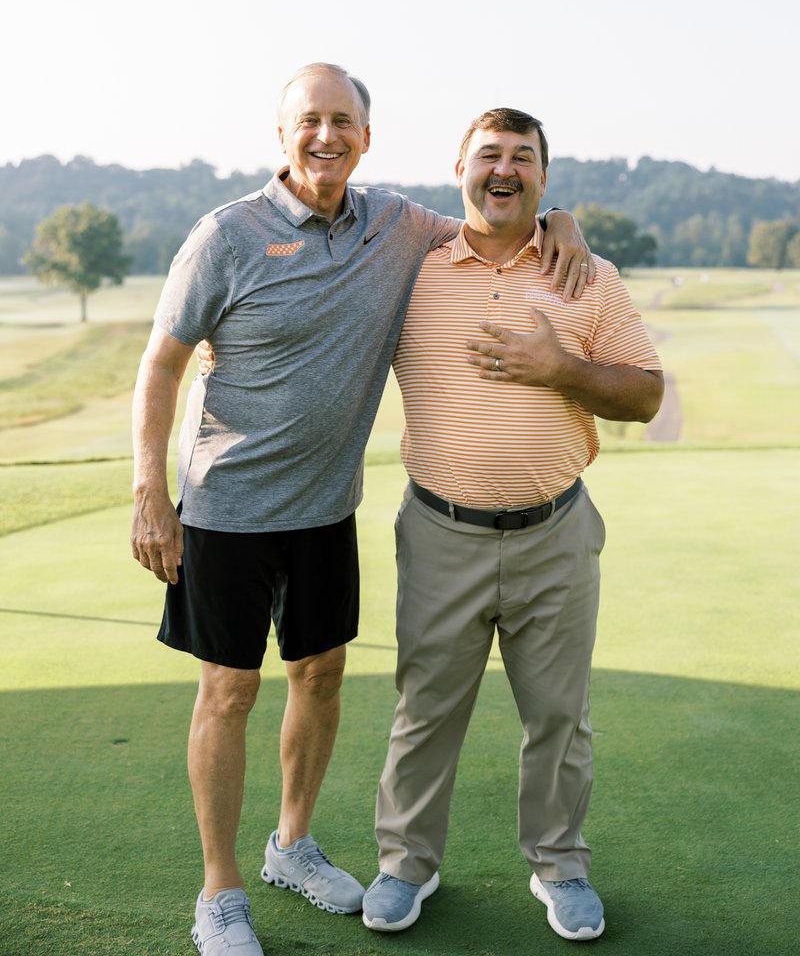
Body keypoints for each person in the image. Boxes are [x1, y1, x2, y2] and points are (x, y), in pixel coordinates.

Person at [130, 64, 593, 956]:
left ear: (367, 138)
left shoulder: (396, 225)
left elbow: (492, 216)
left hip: (324, 510)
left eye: (343, 121)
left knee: (321, 676)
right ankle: (219, 891)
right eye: (310, 120)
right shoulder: (225, 235)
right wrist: (152, 491)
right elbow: (162, 363)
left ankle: (291, 845)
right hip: (225, 509)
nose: (326, 136)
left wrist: (560, 218)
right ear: (283, 135)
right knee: (229, 692)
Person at [360, 107, 664, 942]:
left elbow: (645, 394)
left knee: (559, 717)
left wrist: (561, 368)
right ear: (458, 167)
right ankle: (406, 865)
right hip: (439, 531)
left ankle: (559, 865)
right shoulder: (408, 267)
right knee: (425, 709)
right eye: (489, 154)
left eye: (522, 157)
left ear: (543, 176)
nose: (504, 169)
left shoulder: (586, 274)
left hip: (555, 532)